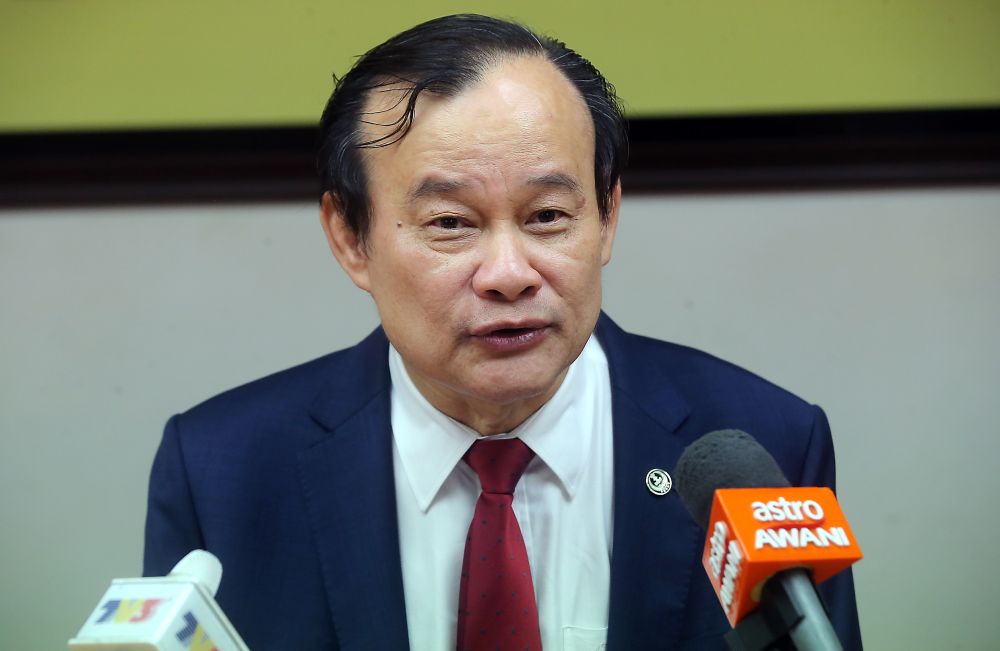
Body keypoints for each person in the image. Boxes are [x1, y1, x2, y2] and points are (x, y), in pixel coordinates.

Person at [144, 13, 862, 651]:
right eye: (450, 223)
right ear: (350, 237)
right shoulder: (223, 471)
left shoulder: (765, 443)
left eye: (548, 215)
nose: (509, 273)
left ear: (607, 216)